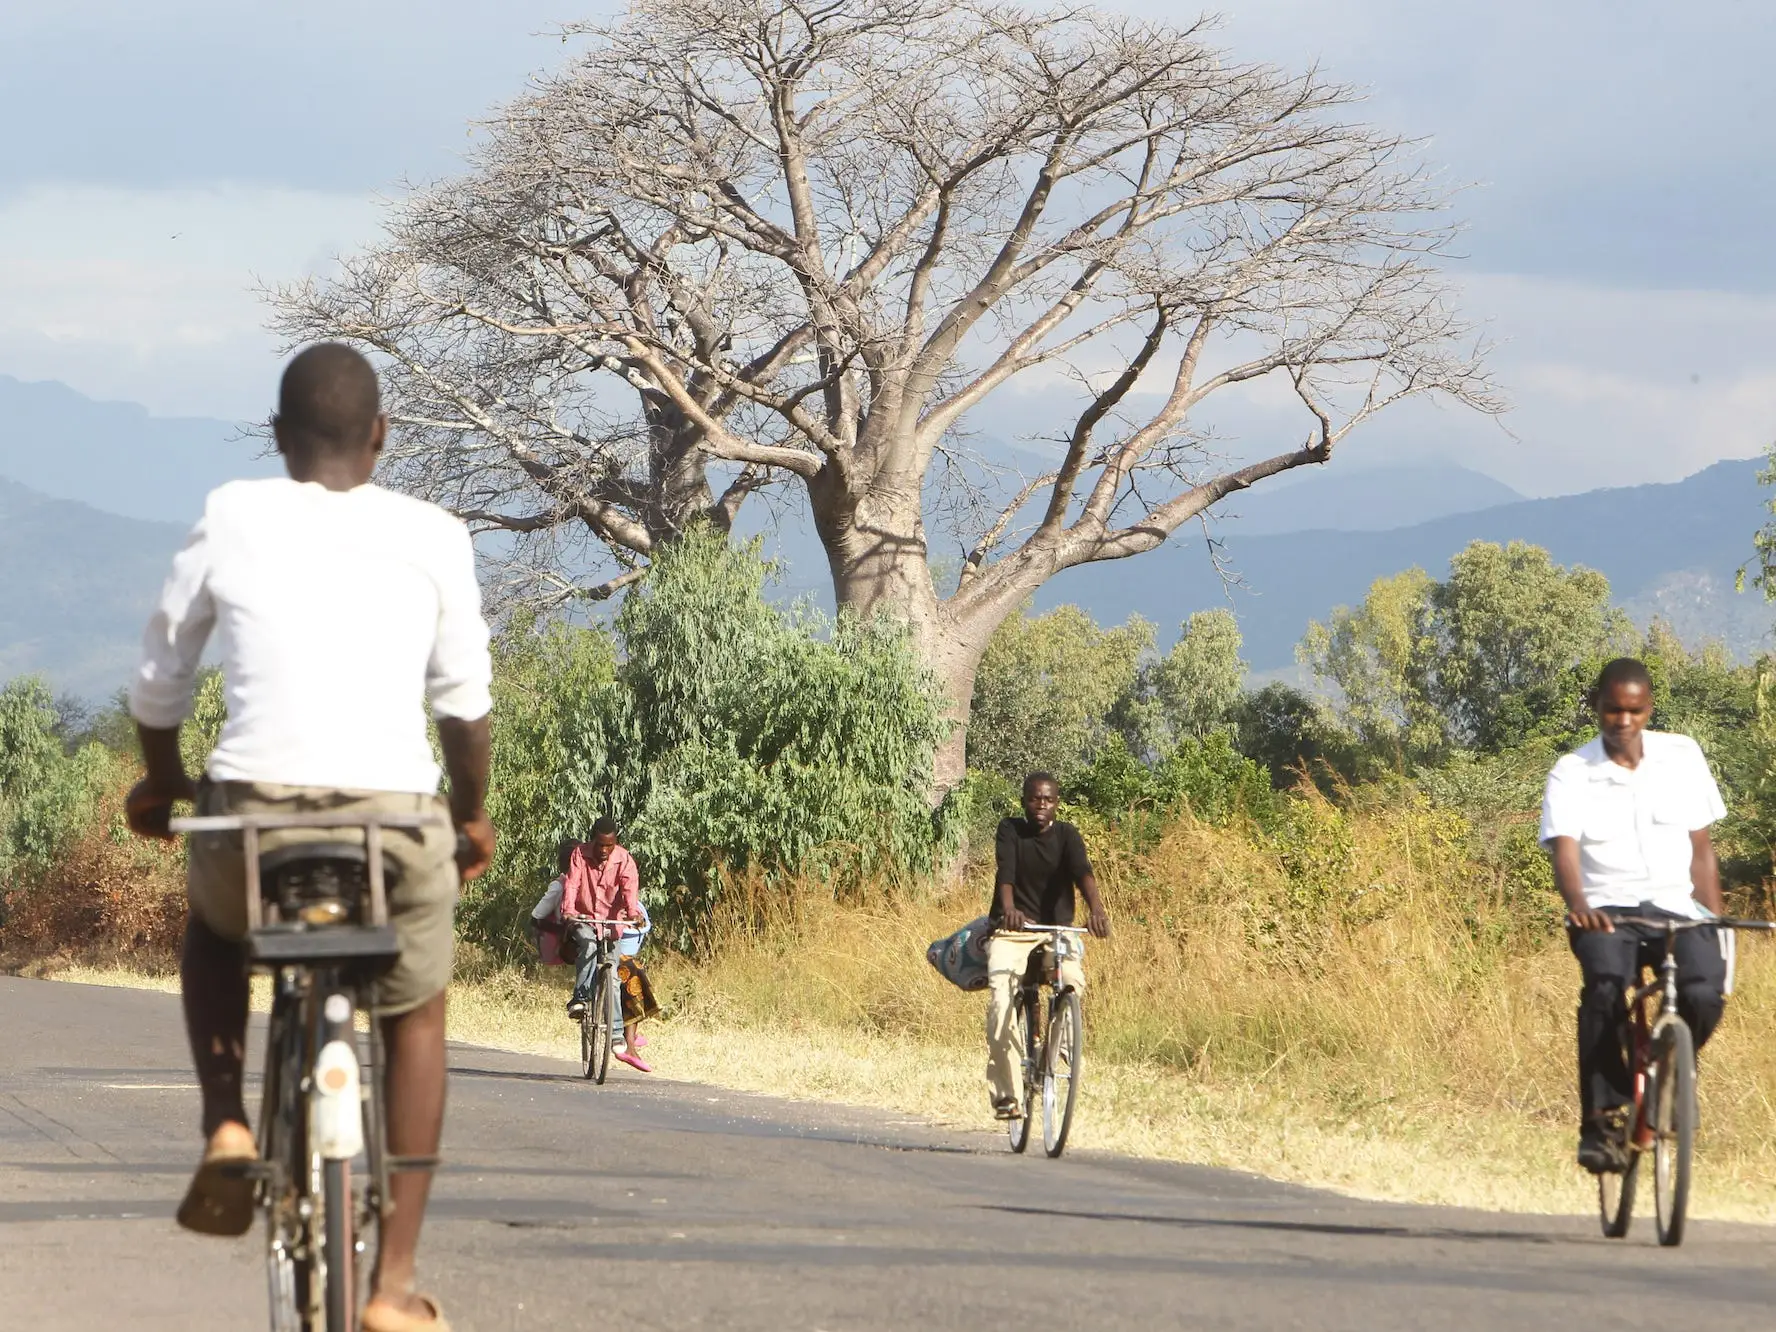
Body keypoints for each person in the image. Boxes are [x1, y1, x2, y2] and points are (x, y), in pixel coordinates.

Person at [126, 342, 493, 1332]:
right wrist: (469, 815)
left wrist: (164, 785)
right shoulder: (434, 533)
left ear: (280, 438)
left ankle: (229, 1124)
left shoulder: (233, 515)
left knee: (214, 929)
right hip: (394, 820)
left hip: (253, 816)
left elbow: (159, 684)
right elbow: (464, 709)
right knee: (415, 1013)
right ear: (380, 436)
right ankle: (392, 1284)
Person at [1540, 656, 1727, 1175]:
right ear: (1596, 707)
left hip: (1675, 909)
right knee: (1604, 984)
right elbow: (1565, 853)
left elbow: (1702, 850)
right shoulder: (1572, 772)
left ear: (1648, 709)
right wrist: (1579, 906)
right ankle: (1601, 1118)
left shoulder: (1682, 756)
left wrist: (1713, 919)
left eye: (1635, 711)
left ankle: (1670, 1069)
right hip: (1606, 912)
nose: (1623, 722)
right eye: (1612, 710)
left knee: (1704, 992)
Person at [984, 772, 1111, 1120]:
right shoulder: (1010, 830)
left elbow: (1083, 872)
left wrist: (1096, 911)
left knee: (1072, 980)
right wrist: (1008, 911)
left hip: (1056, 930)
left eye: (1048, 799)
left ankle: (1056, 1051)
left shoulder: (1067, 835)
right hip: (1014, 930)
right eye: (1034, 799)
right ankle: (1007, 1095)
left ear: (1057, 803)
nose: (1041, 805)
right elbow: (1005, 873)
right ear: (1024, 800)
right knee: (1001, 999)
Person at [558, 817, 649, 1061]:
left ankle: (617, 1034)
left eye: (609, 846)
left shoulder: (624, 860)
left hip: (611, 925)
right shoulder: (579, 855)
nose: (604, 851)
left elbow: (630, 891)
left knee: (614, 976)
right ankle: (580, 999)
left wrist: (633, 914)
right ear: (593, 840)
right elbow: (572, 884)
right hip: (584, 918)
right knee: (587, 945)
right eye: (600, 845)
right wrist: (568, 909)